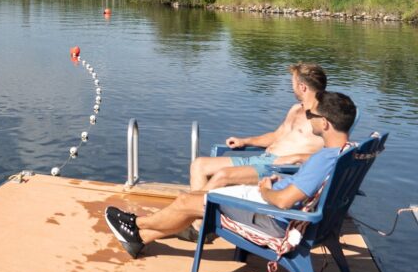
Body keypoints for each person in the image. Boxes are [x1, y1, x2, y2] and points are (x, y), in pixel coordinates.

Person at [104, 91, 357, 258]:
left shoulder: (325, 157)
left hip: (273, 217)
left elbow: (282, 202)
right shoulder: (346, 153)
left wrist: (265, 187)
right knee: (199, 198)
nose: (308, 117)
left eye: (313, 115)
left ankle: (136, 225)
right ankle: (140, 238)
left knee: (188, 201)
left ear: (325, 123)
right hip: (289, 213)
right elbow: (303, 186)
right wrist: (287, 177)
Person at [190, 62, 327, 193]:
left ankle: (193, 207)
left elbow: (333, 154)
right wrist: (245, 141)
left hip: (281, 169)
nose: (292, 88)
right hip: (262, 160)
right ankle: (198, 213)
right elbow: (276, 136)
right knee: (199, 165)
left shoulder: (324, 118)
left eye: (293, 84)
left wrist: (297, 157)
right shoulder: (296, 109)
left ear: (302, 87)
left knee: (223, 175)